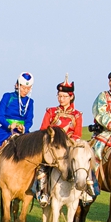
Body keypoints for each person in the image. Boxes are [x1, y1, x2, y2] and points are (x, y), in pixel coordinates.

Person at [0, 73, 35, 196]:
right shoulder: (7, 97)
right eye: (23, 87)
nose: (25, 90)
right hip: (5, 131)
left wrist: (24, 127)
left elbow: (30, 119)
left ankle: (33, 186)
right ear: (17, 85)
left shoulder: (30, 102)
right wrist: (9, 125)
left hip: (22, 134)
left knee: (33, 157)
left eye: (28, 88)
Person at [36, 75, 83, 205]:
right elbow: (43, 129)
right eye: (59, 96)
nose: (61, 99)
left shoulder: (77, 115)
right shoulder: (51, 112)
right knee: (42, 166)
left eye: (64, 96)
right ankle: (43, 192)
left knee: (83, 163)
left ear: (71, 96)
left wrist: (68, 143)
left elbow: (77, 134)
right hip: (52, 146)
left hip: (69, 146)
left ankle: (86, 190)